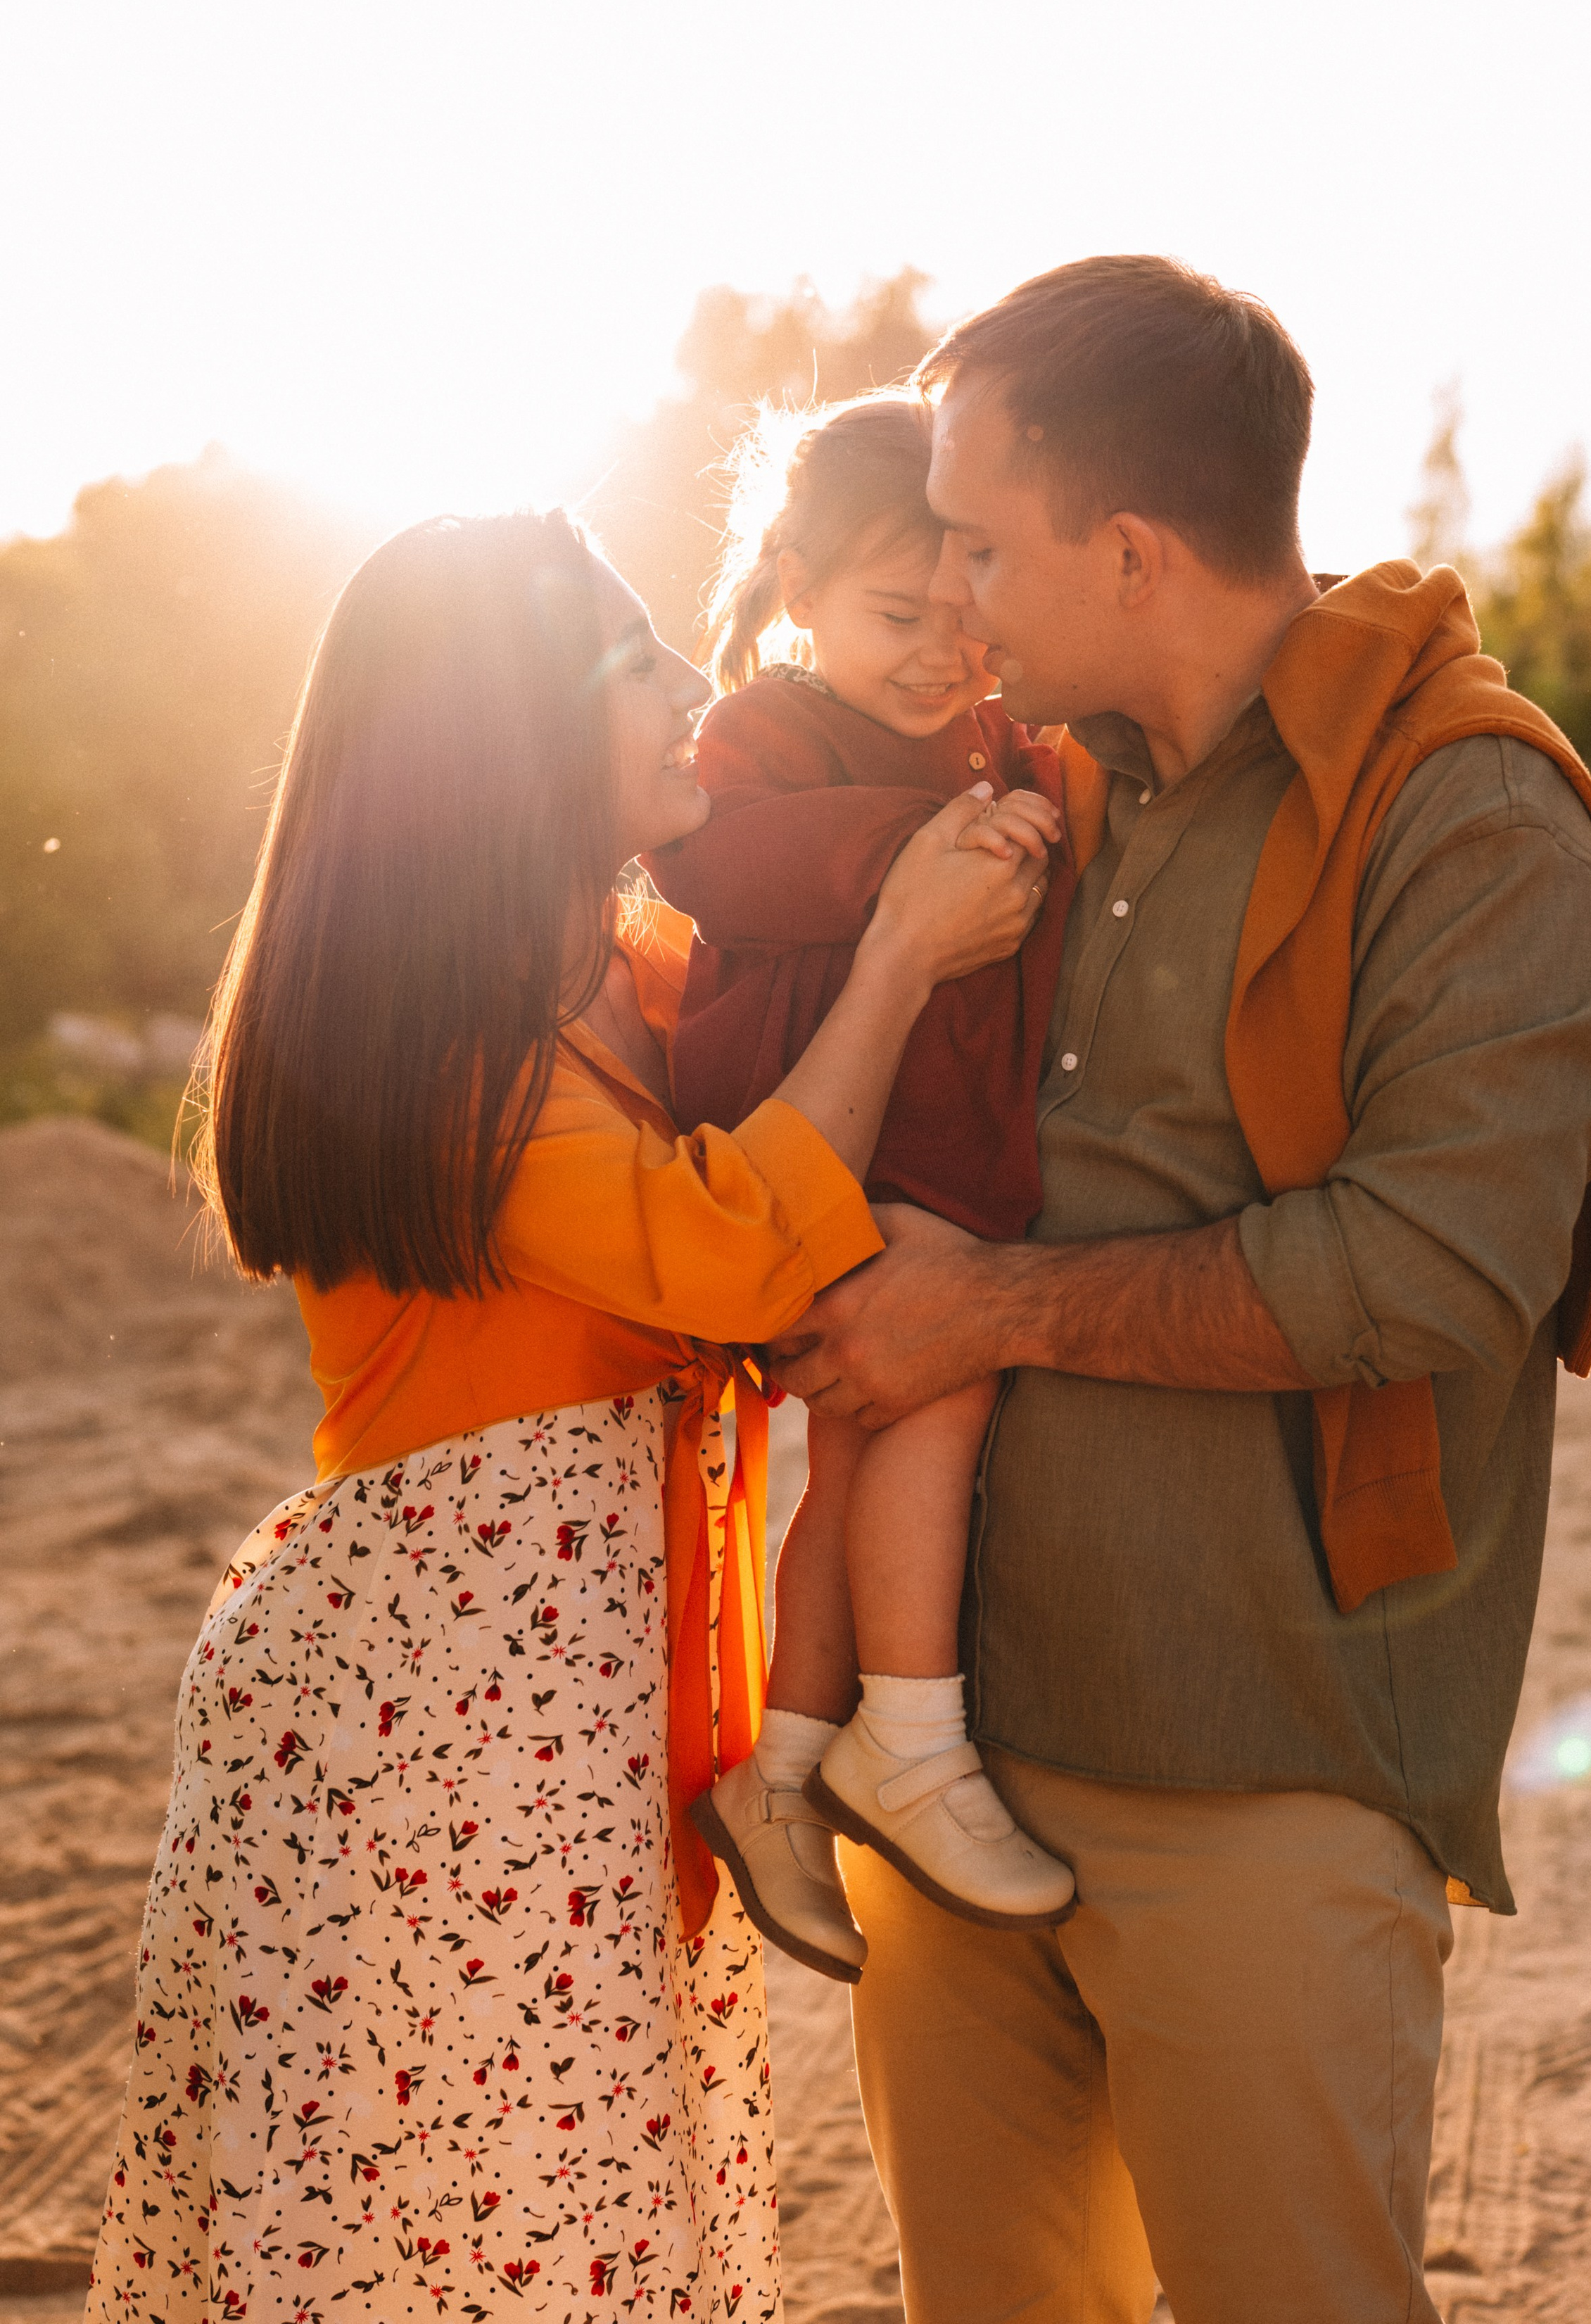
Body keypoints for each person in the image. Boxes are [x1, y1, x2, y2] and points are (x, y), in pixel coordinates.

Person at [770, 258, 1591, 2324]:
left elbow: (1428, 1272)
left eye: (982, 544)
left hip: (1264, 1769)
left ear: (1131, 550)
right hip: (955, 1769)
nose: (955, 592)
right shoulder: (1037, 786)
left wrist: (983, 1312)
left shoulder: (1469, 810)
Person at [86, 510, 1046, 2324]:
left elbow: (810, 1124)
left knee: (563, 2223)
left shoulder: (638, 972)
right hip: (428, 1731)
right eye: (635, 665)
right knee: (466, 2239)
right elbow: (734, 1248)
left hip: (576, 1724)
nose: (696, 684)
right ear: (506, 741)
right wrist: (905, 950)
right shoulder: (446, 1049)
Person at [646, 394, 1080, 1985]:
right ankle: (912, 1734)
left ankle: (776, 1777)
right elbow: (715, 863)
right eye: (898, 618)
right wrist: (929, 843)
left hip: (937, 1148)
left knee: (869, 1448)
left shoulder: (989, 743)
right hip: (813, 1130)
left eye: (967, 624)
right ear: (797, 588)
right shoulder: (762, 735)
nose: (937, 656)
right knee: (938, 1401)